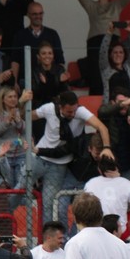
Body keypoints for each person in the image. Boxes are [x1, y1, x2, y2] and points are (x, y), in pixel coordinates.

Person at [14, 90, 114, 225]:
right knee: (19, 188)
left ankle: (46, 239)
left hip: (59, 165)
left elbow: (102, 127)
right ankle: (3, 217)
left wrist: (107, 148)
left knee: (48, 204)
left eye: (74, 110)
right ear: (60, 107)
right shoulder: (49, 108)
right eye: (69, 112)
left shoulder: (80, 111)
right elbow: (25, 116)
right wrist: (21, 102)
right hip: (38, 157)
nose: (73, 114)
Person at [74, 0, 130, 95]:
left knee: (113, 69)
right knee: (96, 74)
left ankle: (114, 98)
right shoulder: (91, 5)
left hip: (113, 40)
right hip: (95, 41)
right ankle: (96, 100)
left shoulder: (117, 4)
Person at [83, 156, 130, 236]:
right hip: (119, 230)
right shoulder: (125, 183)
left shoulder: (90, 183)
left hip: (96, 228)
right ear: (116, 167)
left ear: (99, 169)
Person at [11, 2, 65, 83]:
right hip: (25, 81)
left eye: (40, 13)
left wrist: (58, 80)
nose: (38, 16)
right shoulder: (19, 35)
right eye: (34, 14)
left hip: (50, 81)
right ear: (28, 15)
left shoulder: (52, 34)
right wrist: (14, 83)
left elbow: (60, 60)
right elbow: (15, 61)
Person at [0, 86, 31, 187]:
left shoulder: (19, 111)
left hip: (20, 154)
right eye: (10, 97)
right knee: (9, 186)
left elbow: (25, 130)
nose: (13, 99)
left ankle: (21, 203)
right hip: (6, 156)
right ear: (3, 99)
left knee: (21, 187)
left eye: (15, 96)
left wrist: (18, 120)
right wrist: (7, 121)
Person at [100, 21, 130, 103]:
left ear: (124, 55)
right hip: (111, 107)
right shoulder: (106, 69)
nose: (118, 55)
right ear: (110, 55)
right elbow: (103, 50)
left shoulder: (129, 67)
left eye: (121, 52)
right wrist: (109, 33)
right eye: (115, 52)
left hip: (128, 106)